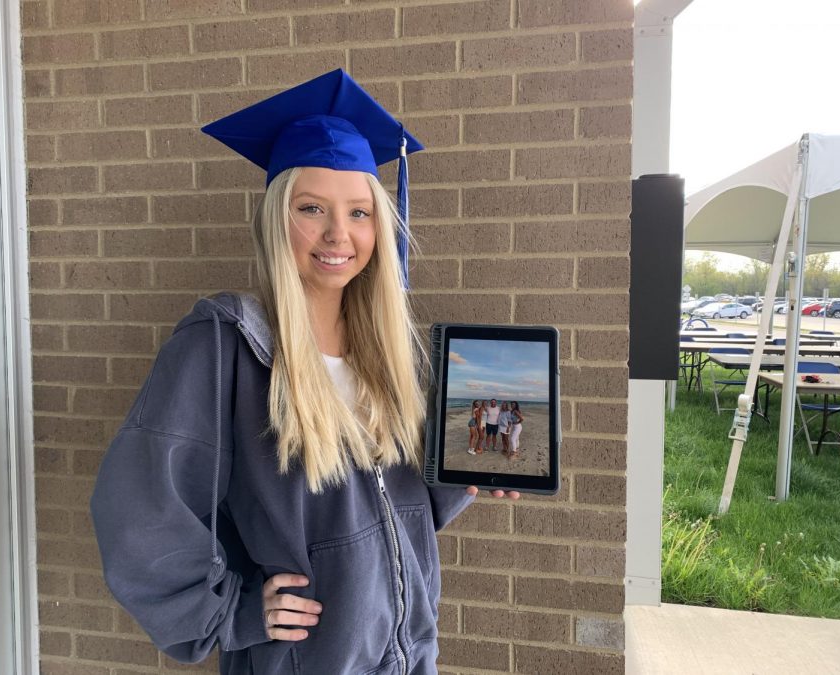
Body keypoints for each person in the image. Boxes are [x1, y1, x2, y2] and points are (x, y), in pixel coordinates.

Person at [89, 69, 519, 675]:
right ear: (275, 217)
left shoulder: (390, 354)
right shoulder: (227, 345)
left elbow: (394, 506)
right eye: (311, 208)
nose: (338, 234)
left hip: (404, 653)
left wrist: (473, 468)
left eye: (360, 212)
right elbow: (138, 510)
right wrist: (231, 612)